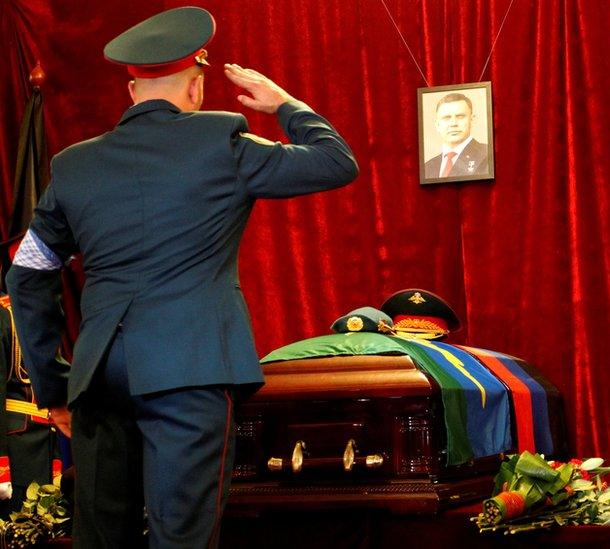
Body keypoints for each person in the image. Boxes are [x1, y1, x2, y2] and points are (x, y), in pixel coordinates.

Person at [4, 6, 358, 548]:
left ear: (131, 90)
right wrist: (285, 103)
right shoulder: (224, 142)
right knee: (183, 536)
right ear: (196, 88)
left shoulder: (74, 165)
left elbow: (26, 272)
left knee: (101, 537)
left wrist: (54, 385)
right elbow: (336, 161)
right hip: (189, 370)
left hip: (98, 378)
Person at [0, 236, 62, 517]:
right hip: (16, 452)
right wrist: (1, 468)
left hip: (45, 444)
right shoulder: (4, 316)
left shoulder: (45, 318)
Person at [423, 93, 490, 179]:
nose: (453, 124)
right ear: (437, 125)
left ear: (472, 120)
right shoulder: (427, 167)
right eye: (446, 118)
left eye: (460, 116)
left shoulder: (488, 154)